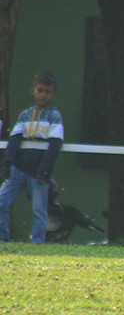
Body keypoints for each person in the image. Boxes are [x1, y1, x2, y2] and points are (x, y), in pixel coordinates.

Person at [0, 71, 63, 243]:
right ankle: (3, 237)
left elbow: (55, 145)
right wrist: (7, 166)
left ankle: (37, 243)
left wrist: (45, 171)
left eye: (47, 91)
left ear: (53, 94)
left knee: (39, 209)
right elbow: (14, 141)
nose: (43, 95)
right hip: (18, 169)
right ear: (33, 90)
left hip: (38, 171)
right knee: (2, 201)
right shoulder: (25, 116)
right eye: (40, 90)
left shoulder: (54, 116)